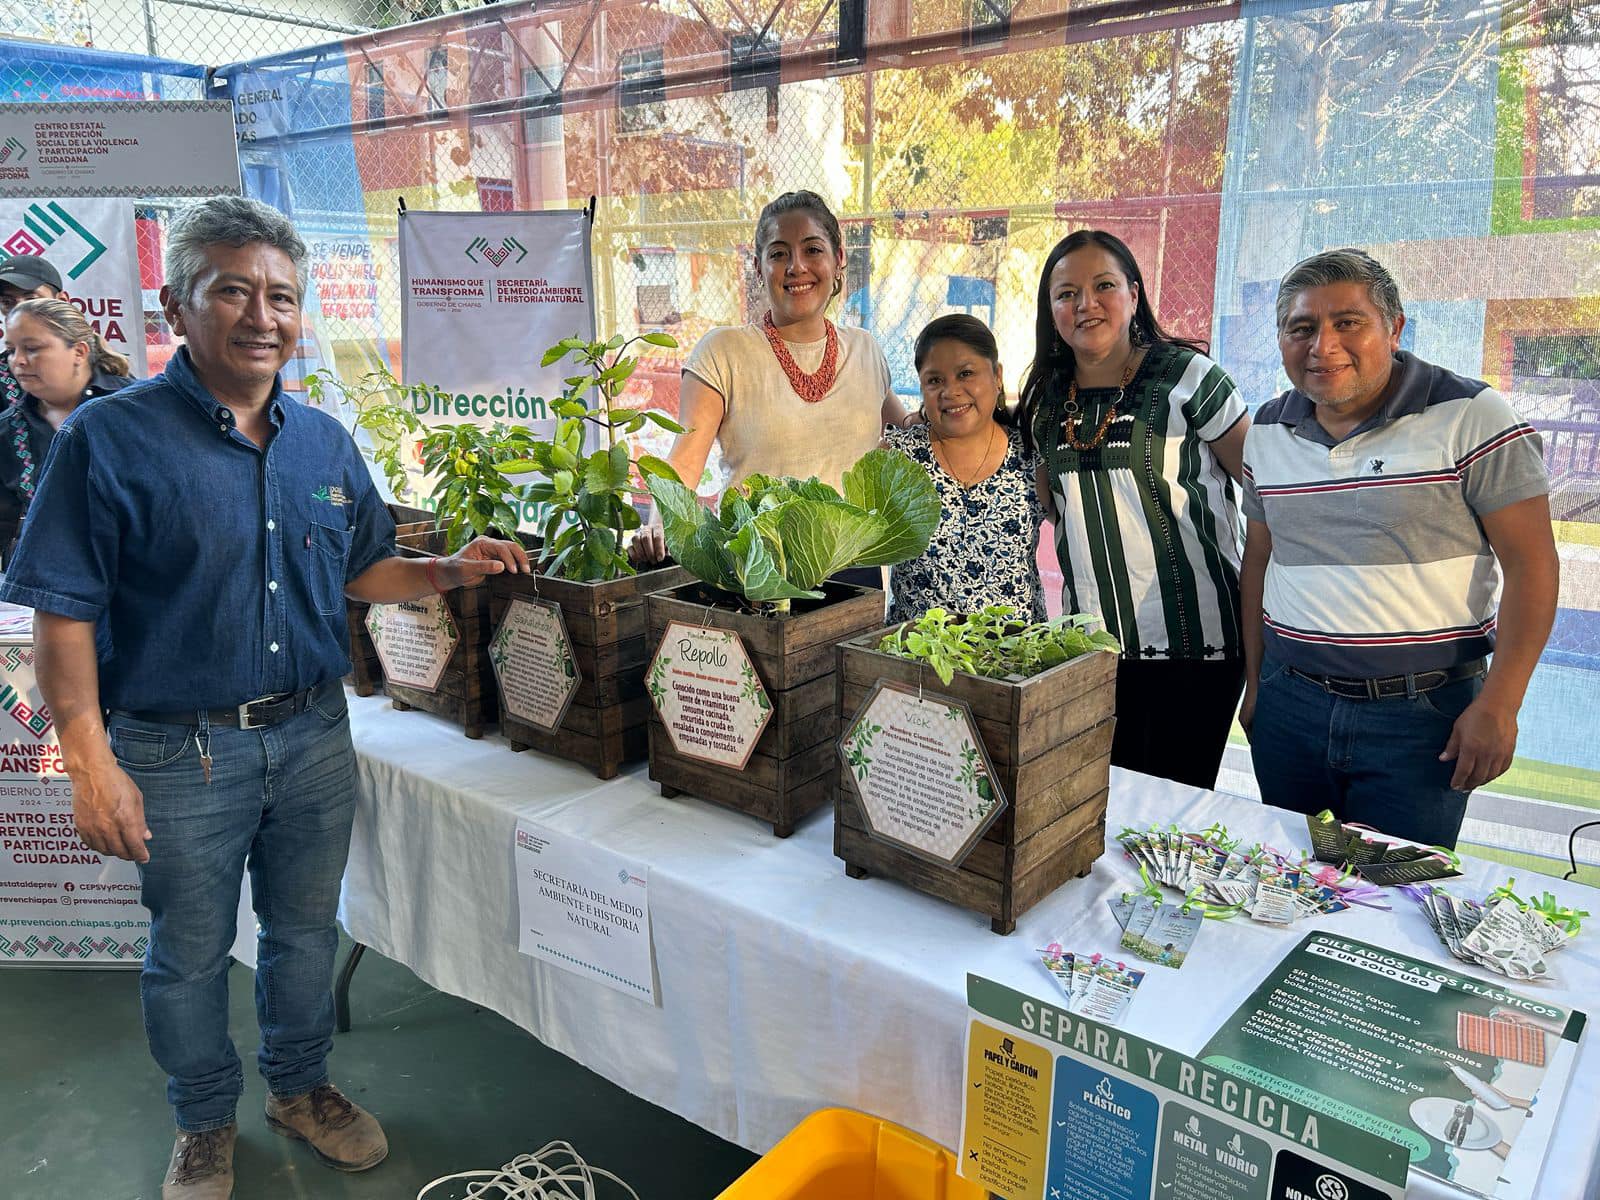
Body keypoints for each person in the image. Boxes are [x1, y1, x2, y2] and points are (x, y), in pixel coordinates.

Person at [0, 195, 531, 1199]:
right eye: (232, 290)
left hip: (312, 737)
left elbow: (364, 568)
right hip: (173, 750)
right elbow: (61, 614)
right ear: (176, 304)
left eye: (281, 296)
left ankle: (300, 1087)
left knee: (302, 934)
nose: (262, 316)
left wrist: (449, 571)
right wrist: (89, 761)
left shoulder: (323, 442)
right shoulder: (111, 441)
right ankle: (203, 1118)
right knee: (191, 954)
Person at [1239, 248, 1556, 849]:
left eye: (1347, 323)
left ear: (1395, 327)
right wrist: (1257, 687)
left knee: (1395, 915)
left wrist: (1501, 704)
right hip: (1291, 708)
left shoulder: (1472, 416)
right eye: (1301, 327)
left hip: (1422, 720)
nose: (1322, 344)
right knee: (1290, 887)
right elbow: (1260, 562)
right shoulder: (1268, 431)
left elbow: (1532, 564)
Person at [1020, 230, 1249, 789]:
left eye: (1104, 286)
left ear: (1134, 293)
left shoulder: (1189, 378)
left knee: (1175, 814)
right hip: (1090, 649)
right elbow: (1053, 506)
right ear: (1051, 310)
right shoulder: (1046, 400)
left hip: (1200, 647)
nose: (1085, 304)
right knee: (1100, 804)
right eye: (1066, 293)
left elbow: (1265, 489)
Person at [631, 190, 910, 581]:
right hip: (757, 571)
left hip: (853, 574)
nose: (796, 267)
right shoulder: (724, 351)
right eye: (779, 254)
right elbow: (683, 463)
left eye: (813, 249)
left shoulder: (865, 349)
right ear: (758, 267)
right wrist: (658, 523)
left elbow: (909, 434)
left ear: (839, 258)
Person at [885, 314, 1045, 623]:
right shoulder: (898, 458)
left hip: (1014, 659)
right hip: (917, 659)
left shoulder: (1031, 456)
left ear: (997, 376)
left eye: (966, 373)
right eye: (935, 380)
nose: (951, 391)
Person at [0, 298, 136, 553]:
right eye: (10, 350)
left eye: (32, 348)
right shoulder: (7, 431)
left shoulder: (140, 408)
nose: (17, 361)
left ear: (79, 352)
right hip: (51, 580)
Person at [0, 253, 66, 411]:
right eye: (7, 302)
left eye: (31, 300)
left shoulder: (101, 369)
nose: (18, 310)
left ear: (61, 301)